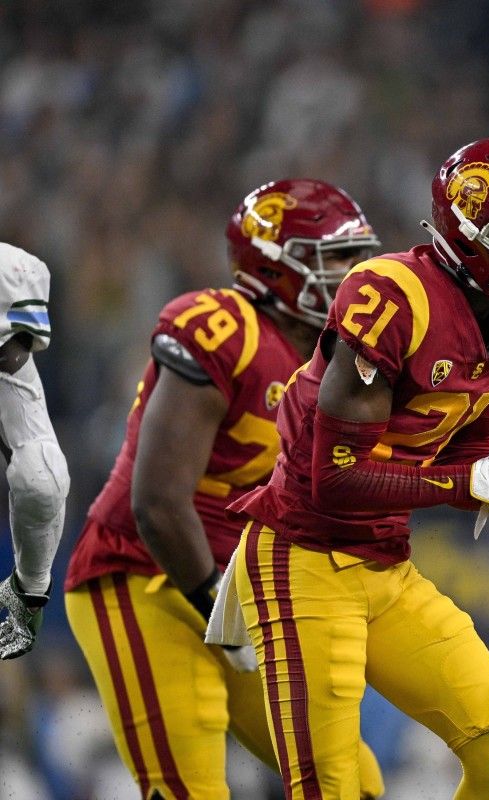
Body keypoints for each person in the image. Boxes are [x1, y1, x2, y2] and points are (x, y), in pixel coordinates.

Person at [216, 136, 489, 799]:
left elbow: (480, 404)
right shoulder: (392, 296)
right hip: (302, 557)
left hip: (385, 564)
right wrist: (469, 483)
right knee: (334, 787)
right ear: (472, 236)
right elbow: (332, 479)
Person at [63, 179, 386, 799]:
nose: (355, 276)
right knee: (191, 789)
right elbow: (156, 503)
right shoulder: (221, 329)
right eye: (336, 260)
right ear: (273, 270)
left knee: (350, 783)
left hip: (243, 589)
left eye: (358, 257)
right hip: (144, 576)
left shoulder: (345, 357)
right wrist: (219, 605)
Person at [0, 243, 69, 660]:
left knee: (39, 474)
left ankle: (24, 590)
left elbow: (42, 483)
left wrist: (32, 587)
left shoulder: (10, 361)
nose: (17, 352)